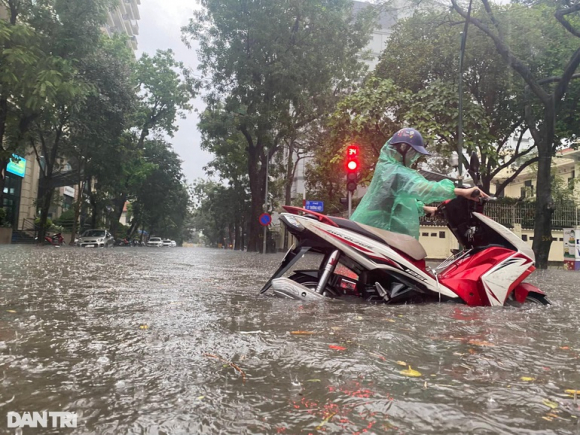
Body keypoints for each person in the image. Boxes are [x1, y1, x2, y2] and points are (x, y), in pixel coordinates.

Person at [350, 127, 487, 239]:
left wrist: (424, 209)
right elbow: (425, 189)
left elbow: (395, 202)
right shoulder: (395, 172)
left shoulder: (388, 169)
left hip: (378, 232)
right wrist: (462, 191)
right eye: (413, 153)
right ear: (403, 148)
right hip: (382, 233)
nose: (413, 158)